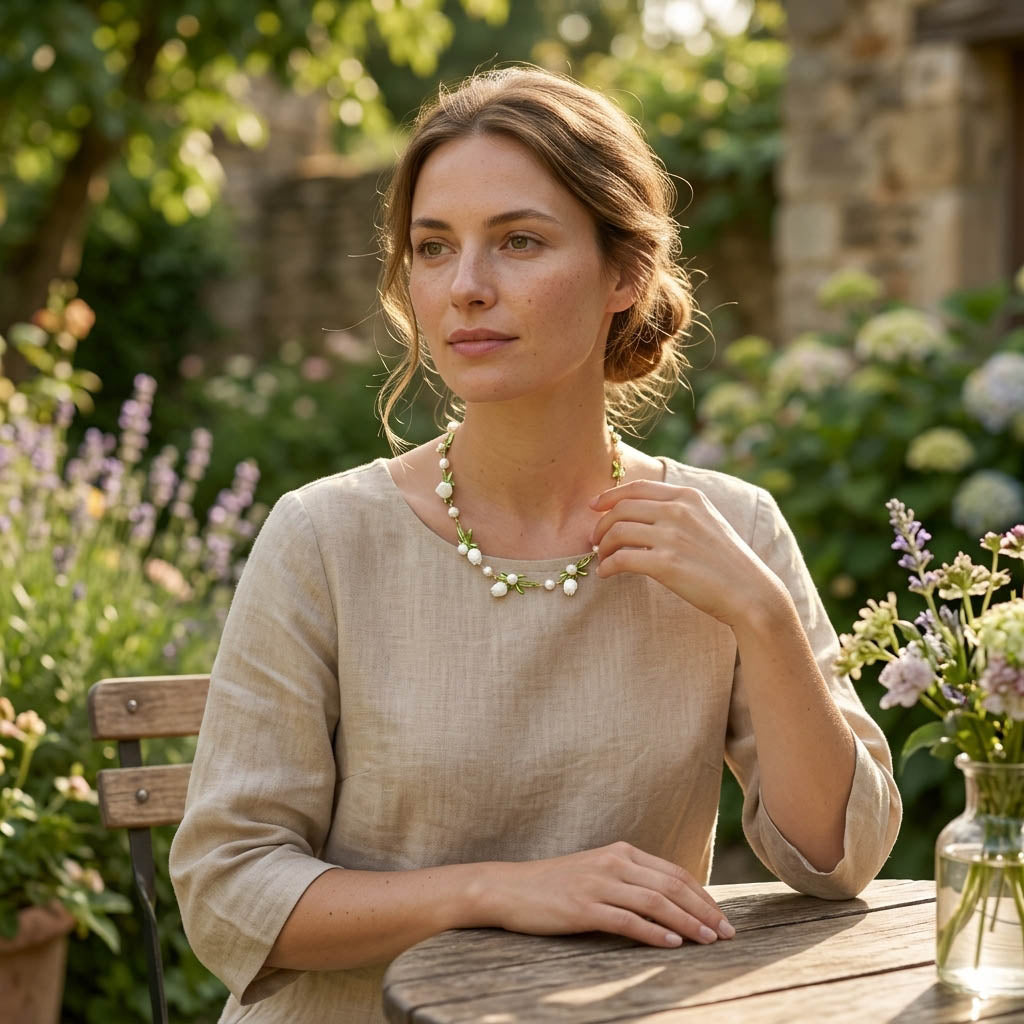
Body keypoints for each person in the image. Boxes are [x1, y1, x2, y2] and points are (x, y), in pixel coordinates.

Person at [169, 65, 902, 1024]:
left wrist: (761, 616)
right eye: (434, 248)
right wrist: (499, 892)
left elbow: (837, 861)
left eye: (518, 241)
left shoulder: (731, 528)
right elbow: (230, 886)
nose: (467, 288)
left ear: (626, 273)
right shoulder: (325, 538)